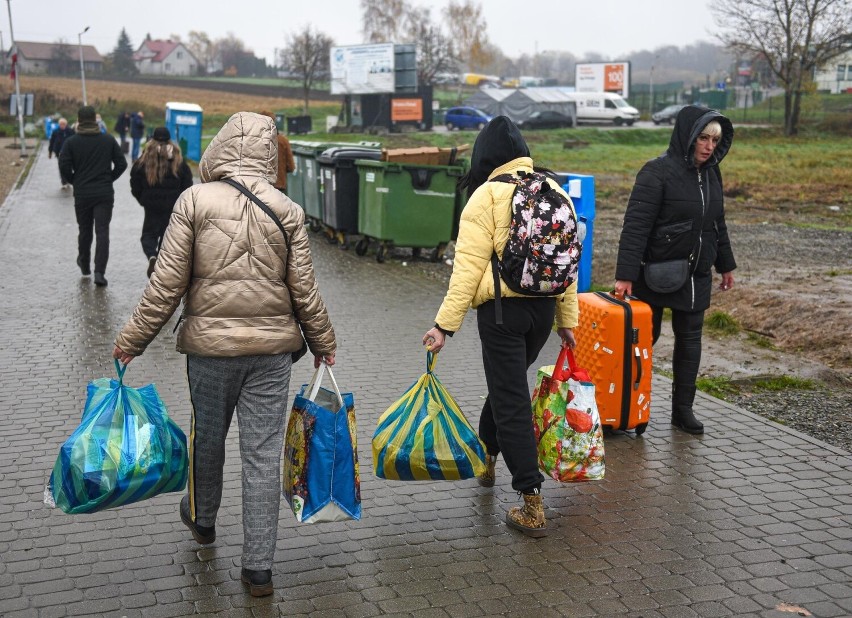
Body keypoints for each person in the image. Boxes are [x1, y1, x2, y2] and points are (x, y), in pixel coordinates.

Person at [112, 111, 336, 597]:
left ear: (221, 146)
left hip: (210, 351)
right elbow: (305, 291)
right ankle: (259, 570)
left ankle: (203, 519)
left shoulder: (194, 201)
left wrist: (132, 340)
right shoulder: (289, 210)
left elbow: (165, 286)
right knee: (259, 456)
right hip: (273, 355)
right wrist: (324, 344)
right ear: (267, 152)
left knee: (207, 438)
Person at [422, 116, 578, 537]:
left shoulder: (487, 196)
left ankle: (531, 500)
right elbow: (568, 265)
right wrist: (567, 321)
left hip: (502, 316)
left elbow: (466, 273)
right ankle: (487, 456)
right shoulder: (554, 189)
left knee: (511, 401)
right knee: (505, 386)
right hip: (542, 315)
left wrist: (444, 327)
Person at [614, 105, 736, 435]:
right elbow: (636, 226)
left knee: (690, 342)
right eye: (703, 138)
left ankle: (683, 411)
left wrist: (725, 265)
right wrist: (625, 275)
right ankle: (627, 409)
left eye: (715, 139)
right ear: (687, 136)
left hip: (696, 275)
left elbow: (716, 222)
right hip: (654, 272)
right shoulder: (656, 172)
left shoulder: (712, 173)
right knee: (642, 344)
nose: (709, 146)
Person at [58, 105, 128, 287]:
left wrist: (75, 181)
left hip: (82, 194)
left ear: (79, 120)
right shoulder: (108, 140)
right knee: (102, 231)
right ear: (95, 121)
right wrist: (109, 179)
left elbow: (63, 165)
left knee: (85, 230)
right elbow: (121, 164)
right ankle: (99, 272)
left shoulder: (71, 142)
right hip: (104, 193)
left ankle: (84, 264)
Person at [130, 126, 193, 277]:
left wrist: (143, 199)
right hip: (171, 204)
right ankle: (160, 264)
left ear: (153, 138)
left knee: (148, 235)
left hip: (151, 204)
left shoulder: (145, 157)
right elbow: (187, 182)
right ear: (169, 139)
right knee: (166, 235)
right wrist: (179, 200)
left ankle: (152, 256)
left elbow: (135, 180)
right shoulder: (177, 158)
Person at [260, 110, 295, 194]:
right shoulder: (282, 141)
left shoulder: (253, 140)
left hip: (259, 188)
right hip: (279, 186)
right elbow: (291, 167)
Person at [47, 117, 75, 190]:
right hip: (59, 152)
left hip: (70, 152)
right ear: (59, 124)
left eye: (64, 124)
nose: (62, 125)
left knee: (70, 166)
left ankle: (68, 180)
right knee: (62, 167)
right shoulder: (56, 132)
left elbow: (75, 141)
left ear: (66, 124)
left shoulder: (70, 131)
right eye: (61, 124)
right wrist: (50, 152)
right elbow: (52, 142)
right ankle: (64, 181)